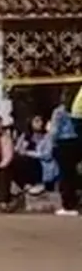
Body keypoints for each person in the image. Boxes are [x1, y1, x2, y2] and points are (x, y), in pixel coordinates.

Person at [49, 86, 82, 216]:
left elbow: (54, 131)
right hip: (77, 143)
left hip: (64, 144)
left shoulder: (59, 112)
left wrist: (52, 144)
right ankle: (72, 202)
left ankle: (68, 205)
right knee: (72, 174)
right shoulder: (77, 112)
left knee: (66, 175)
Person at [11, 115, 58, 195]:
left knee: (28, 159)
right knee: (16, 159)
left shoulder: (47, 137)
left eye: (41, 121)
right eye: (36, 121)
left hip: (41, 163)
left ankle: (37, 183)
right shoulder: (25, 136)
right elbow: (17, 149)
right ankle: (23, 184)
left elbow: (47, 155)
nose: (40, 123)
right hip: (25, 163)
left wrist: (28, 153)